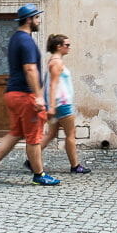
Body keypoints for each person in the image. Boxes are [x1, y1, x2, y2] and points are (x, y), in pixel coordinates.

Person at [0, 4, 61, 186]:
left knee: (16, 132)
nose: (39, 21)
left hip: (12, 94)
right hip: (26, 96)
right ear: (29, 19)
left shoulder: (14, 39)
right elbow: (30, 69)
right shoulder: (26, 41)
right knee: (34, 137)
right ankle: (39, 175)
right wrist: (39, 96)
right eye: (37, 18)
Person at [34, 34, 91, 174]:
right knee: (70, 134)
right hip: (62, 105)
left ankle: (31, 159)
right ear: (58, 46)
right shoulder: (56, 62)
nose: (69, 47)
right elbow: (53, 85)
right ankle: (75, 165)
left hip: (58, 104)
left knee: (51, 134)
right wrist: (52, 106)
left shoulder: (54, 61)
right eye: (67, 45)